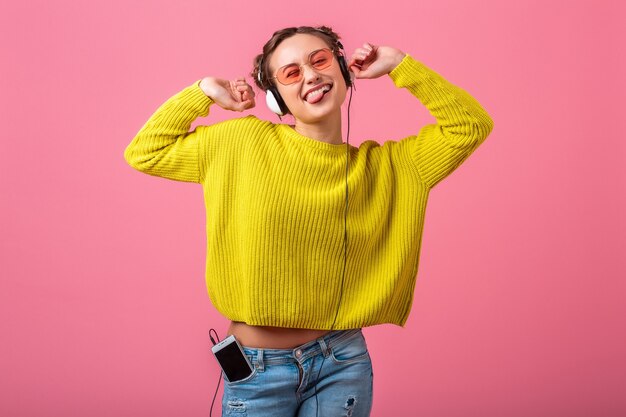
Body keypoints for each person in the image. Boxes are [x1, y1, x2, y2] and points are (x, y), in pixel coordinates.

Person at [124, 25, 493, 417]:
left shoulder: (390, 167)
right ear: (274, 98)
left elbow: (469, 125)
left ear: (343, 70)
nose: (311, 75)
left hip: (342, 363)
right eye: (291, 73)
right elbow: (146, 152)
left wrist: (402, 66)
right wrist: (203, 92)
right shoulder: (239, 143)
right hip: (257, 369)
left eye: (319, 60)